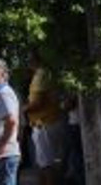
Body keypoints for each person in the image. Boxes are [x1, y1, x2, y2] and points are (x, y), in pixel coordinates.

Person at [24, 51, 65, 185]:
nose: (27, 63)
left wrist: (20, 109)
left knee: (46, 165)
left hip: (44, 124)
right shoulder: (46, 73)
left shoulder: (41, 74)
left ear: (34, 60)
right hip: (48, 122)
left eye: (28, 60)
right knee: (45, 164)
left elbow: (38, 103)